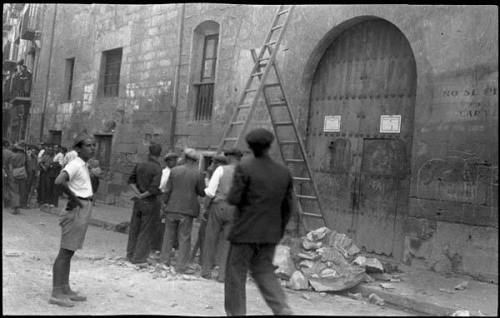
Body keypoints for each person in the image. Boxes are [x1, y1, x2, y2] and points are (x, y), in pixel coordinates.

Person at [224, 128, 294, 316]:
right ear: (269, 146)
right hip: (270, 234)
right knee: (264, 271)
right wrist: (278, 231)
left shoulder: (245, 167)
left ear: (250, 147)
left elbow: (233, 198)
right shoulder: (283, 172)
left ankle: (236, 313)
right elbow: (288, 208)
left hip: (244, 232)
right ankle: (281, 308)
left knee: (235, 275)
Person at [49, 133, 96, 307]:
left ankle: (65, 288)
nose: (92, 148)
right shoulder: (75, 163)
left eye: (93, 145)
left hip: (83, 206)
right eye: (88, 145)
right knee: (65, 252)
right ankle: (56, 292)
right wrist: (75, 198)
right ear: (78, 148)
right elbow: (59, 181)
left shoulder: (83, 164)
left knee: (70, 252)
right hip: (77, 208)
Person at [159, 148, 205, 274]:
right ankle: (180, 266)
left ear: (185, 157)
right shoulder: (198, 173)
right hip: (187, 210)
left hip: (172, 208)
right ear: (195, 160)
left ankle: (164, 262)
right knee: (184, 238)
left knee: (168, 235)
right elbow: (202, 192)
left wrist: (164, 204)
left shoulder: (174, 170)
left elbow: (167, 190)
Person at [201, 148, 242, 282]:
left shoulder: (221, 170)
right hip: (235, 209)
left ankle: (206, 271)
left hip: (219, 206)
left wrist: (205, 208)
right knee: (227, 243)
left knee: (210, 238)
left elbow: (210, 192)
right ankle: (222, 275)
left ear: (230, 157)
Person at [126, 143, 163, 265]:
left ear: (149, 153)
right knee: (145, 230)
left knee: (134, 228)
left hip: (138, 201)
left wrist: (137, 194)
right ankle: (139, 258)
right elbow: (154, 189)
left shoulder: (140, 164)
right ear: (159, 154)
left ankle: (130, 254)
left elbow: (131, 181)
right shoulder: (157, 168)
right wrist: (143, 195)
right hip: (149, 201)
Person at [190, 154, 229, 265]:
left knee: (208, 236)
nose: (210, 166)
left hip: (214, 208)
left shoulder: (219, 173)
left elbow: (210, 193)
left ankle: (206, 262)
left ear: (219, 164)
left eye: (214, 163)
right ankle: (206, 260)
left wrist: (204, 208)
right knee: (206, 235)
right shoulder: (214, 173)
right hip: (221, 208)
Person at [151, 152, 179, 258]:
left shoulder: (176, 172)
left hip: (172, 200)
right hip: (164, 198)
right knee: (161, 224)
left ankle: (168, 247)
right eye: (173, 160)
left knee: (171, 225)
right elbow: (162, 187)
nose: (176, 162)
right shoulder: (165, 173)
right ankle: (156, 247)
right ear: (168, 162)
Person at [9, 142, 29, 213]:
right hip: (22, 173)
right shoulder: (24, 155)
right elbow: (27, 164)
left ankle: (15, 207)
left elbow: (10, 165)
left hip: (14, 172)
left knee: (15, 191)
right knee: (21, 191)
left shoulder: (12, 155)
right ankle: (19, 206)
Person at [3, 139, 15, 209]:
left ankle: (6, 201)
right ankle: (8, 202)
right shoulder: (10, 153)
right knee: (9, 187)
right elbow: (11, 165)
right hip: (7, 171)